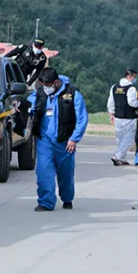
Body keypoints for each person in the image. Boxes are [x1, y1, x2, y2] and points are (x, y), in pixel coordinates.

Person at [26, 68, 89, 212]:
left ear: (55, 82)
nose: (45, 88)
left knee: (65, 174)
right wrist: (23, 109)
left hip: (65, 142)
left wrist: (74, 139)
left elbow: (82, 119)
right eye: (42, 85)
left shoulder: (73, 95)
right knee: (43, 172)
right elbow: (29, 104)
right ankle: (45, 202)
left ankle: (67, 198)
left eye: (47, 85)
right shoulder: (40, 93)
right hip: (44, 141)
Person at [107, 68, 138, 166]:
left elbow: (110, 102)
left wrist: (111, 113)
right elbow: (132, 102)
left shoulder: (114, 87)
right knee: (128, 139)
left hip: (118, 116)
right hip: (129, 117)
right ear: (130, 76)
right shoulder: (131, 88)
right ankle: (117, 155)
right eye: (134, 77)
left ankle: (122, 158)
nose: (134, 79)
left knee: (120, 138)